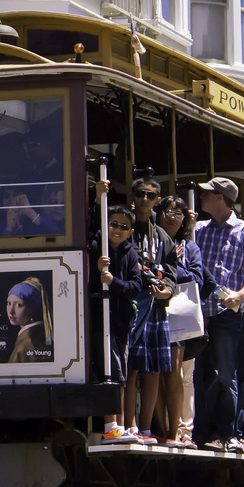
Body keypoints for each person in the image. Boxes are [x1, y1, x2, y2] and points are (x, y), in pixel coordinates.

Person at [192, 176, 244, 451]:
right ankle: (200, 432)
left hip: (229, 314)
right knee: (199, 375)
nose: (201, 198)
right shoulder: (199, 229)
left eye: (207, 194)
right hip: (201, 314)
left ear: (221, 198)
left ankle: (227, 434)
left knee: (227, 375)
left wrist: (240, 295)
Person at [155, 196, 214, 447]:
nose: (172, 218)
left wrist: (175, 265)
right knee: (154, 374)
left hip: (180, 318)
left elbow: (199, 281)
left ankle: (183, 431)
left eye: (178, 215)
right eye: (168, 212)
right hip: (153, 312)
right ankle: (160, 428)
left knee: (183, 376)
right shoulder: (150, 239)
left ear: (184, 222)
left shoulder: (190, 248)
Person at [122, 178, 177, 441]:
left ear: (157, 200)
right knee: (131, 367)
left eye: (150, 195)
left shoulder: (162, 236)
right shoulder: (124, 226)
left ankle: (146, 428)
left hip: (155, 306)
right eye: (140, 194)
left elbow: (172, 273)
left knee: (153, 369)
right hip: (132, 304)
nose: (145, 199)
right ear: (132, 197)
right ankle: (130, 426)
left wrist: (166, 288)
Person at [95, 202, 151, 441]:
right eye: (114, 224)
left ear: (130, 231)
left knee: (121, 373)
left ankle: (116, 425)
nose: (117, 229)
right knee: (110, 371)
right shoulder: (96, 246)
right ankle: (110, 426)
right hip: (101, 319)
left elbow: (136, 286)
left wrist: (112, 281)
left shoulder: (130, 253)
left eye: (123, 226)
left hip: (122, 322)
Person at [5, 276, 51, 363]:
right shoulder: (28, 336)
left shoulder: (28, 342)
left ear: (32, 308)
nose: (11, 311)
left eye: (19, 305)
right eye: (9, 303)